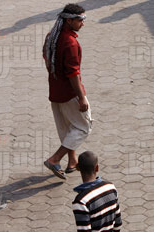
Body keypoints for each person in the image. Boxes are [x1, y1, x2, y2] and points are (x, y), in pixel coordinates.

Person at [43, 3, 92, 180]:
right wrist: (81, 98)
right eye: (80, 20)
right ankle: (55, 159)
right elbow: (73, 74)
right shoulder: (70, 43)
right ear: (70, 21)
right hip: (69, 94)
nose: (82, 24)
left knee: (68, 128)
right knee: (83, 127)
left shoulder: (52, 37)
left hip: (55, 92)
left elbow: (47, 59)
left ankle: (72, 161)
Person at [68, 151, 122, 232]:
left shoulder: (81, 201)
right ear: (97, 167)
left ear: (78, 168)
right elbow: (118, 222)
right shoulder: (111, 188)